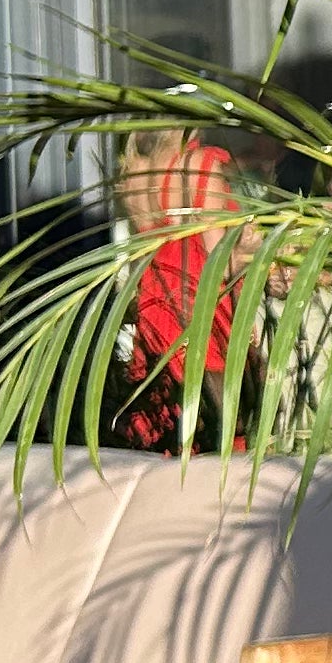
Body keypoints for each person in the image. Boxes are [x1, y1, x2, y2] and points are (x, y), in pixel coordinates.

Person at [112, 122, 240, 447]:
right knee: (218, 429)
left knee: (166, 421)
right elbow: (221, 263)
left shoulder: (135, 170)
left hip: (156, 306)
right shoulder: (200, 163)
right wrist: (255, 250)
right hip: (201, 305)